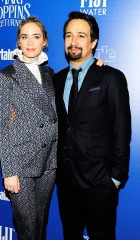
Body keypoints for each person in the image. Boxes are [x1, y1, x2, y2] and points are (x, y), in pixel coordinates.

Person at [53, 11, 131, 240]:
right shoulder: (55, 80)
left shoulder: (110, 78)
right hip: (66, 184)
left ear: (93, 41)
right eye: (68, 35)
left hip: (100, 184)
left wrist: (115, 179)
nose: (73, 42)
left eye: (81, 36)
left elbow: (121, 130)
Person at [0, 16, 58, 240]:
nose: (30, 42)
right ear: (18, 42)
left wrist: (98, 66)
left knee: (40, 224)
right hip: (21, 165)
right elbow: (2, 126)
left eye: (36, 36)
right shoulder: (6, 76)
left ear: (45, 42)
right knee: (28, 227)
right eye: (24, 37)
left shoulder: (50, 75)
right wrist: (9, 171)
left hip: (49, 162)